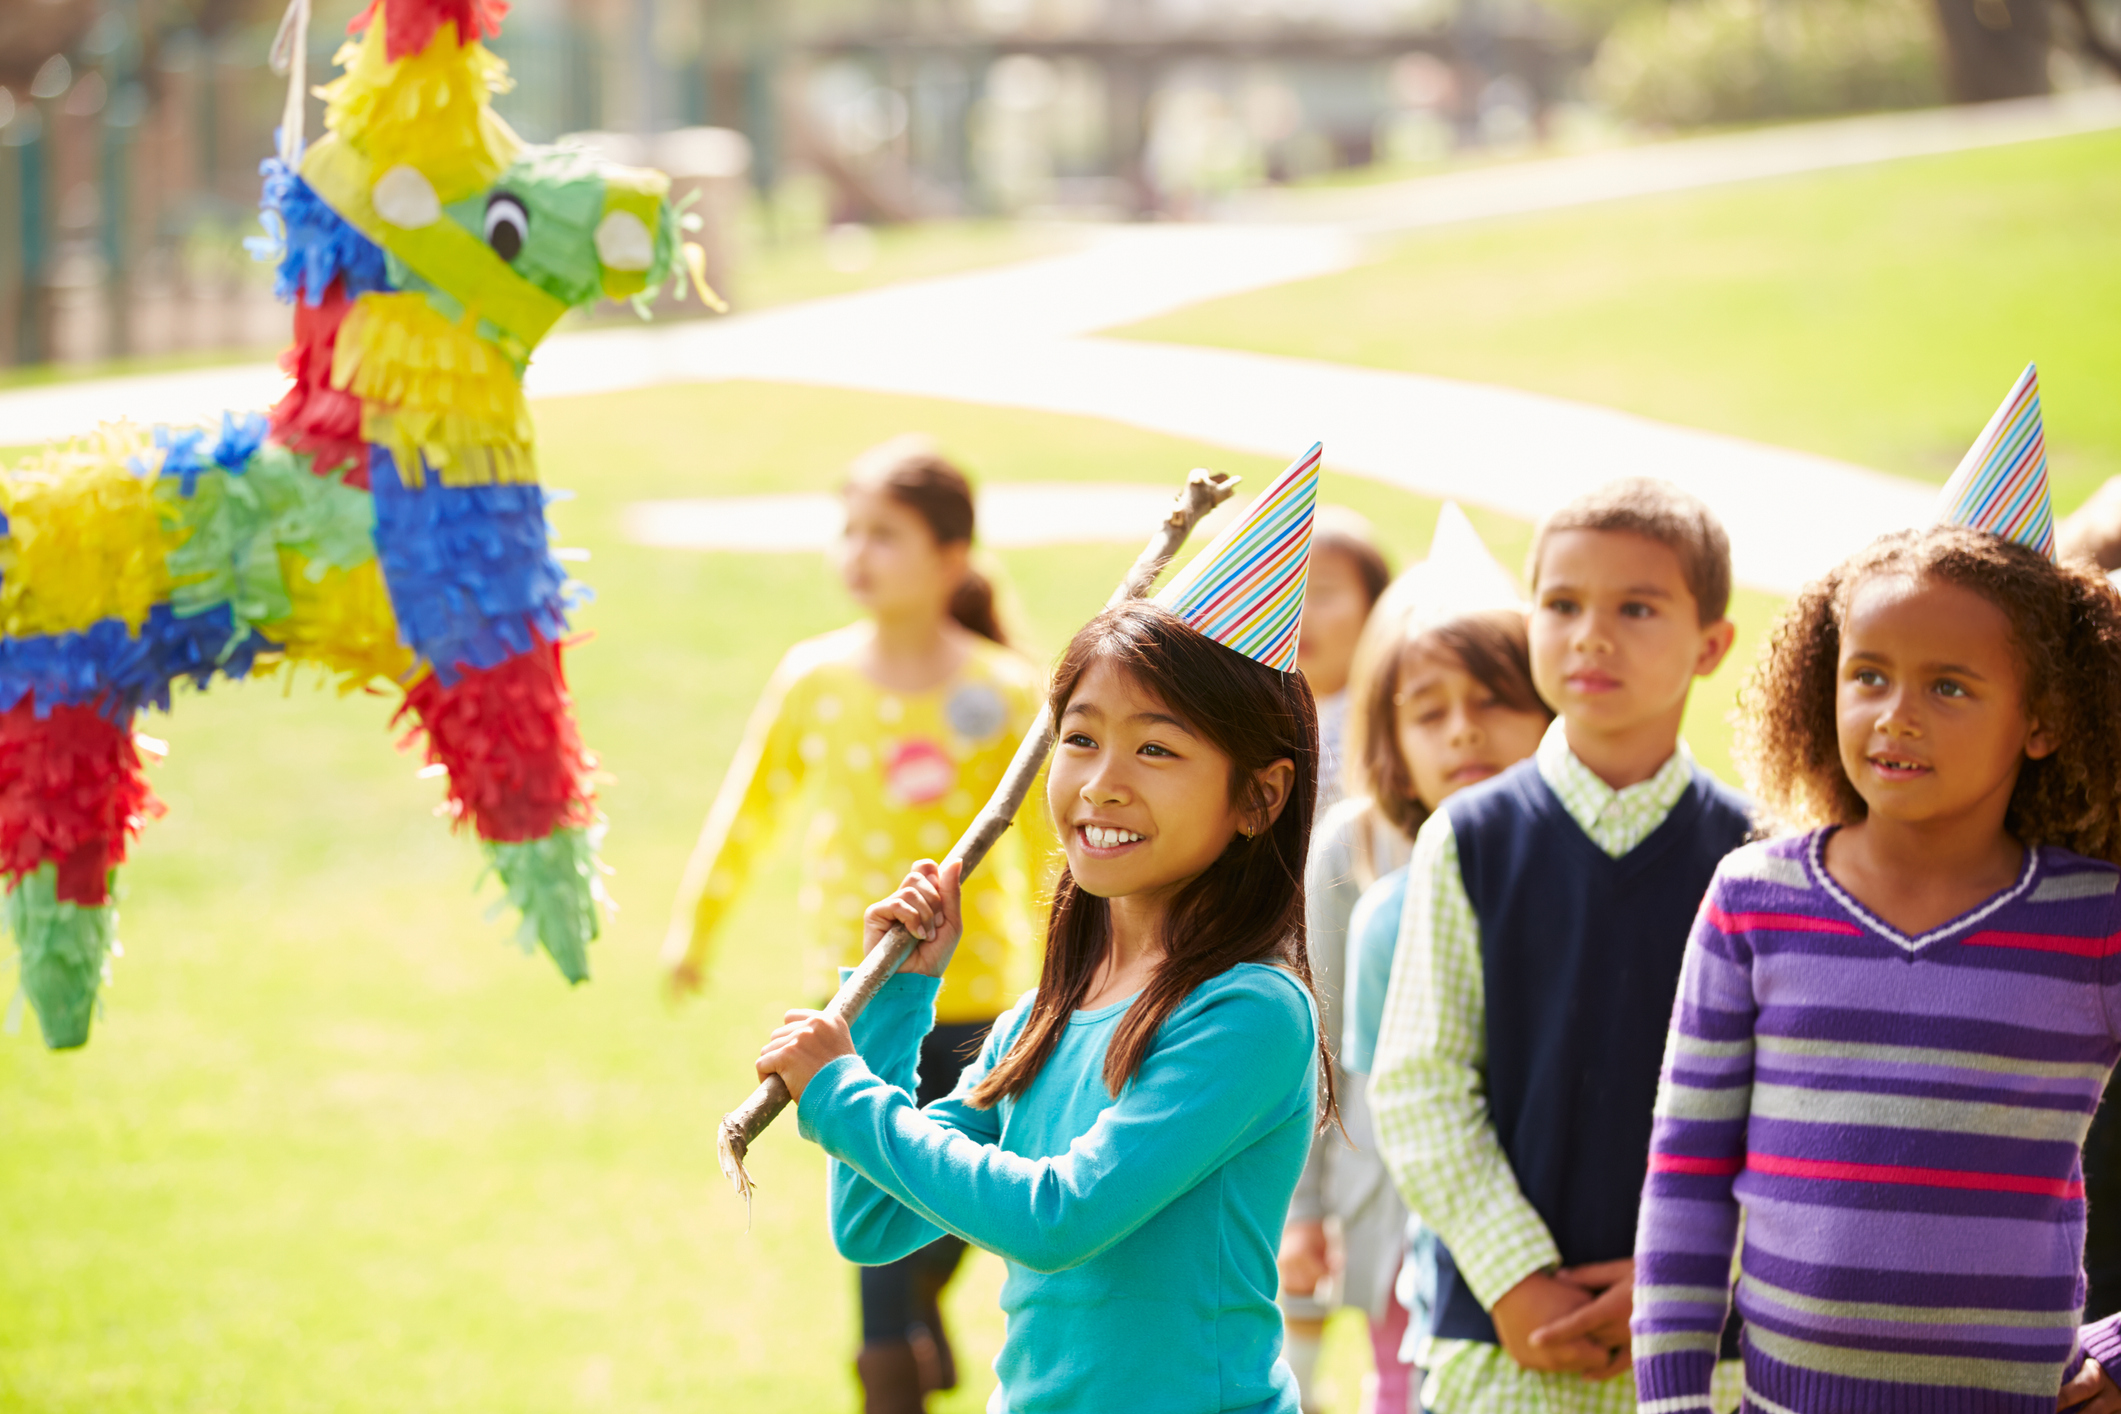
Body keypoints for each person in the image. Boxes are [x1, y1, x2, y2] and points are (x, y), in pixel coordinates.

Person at [752, 448, 1334, 1414]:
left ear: (1259, 797)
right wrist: (896, 1004)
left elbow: (1057, 1217)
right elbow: (870, 1223)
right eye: (1079, 736)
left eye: (1156, 748)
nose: (1103, 780)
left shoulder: (1250, 1013)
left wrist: (842, 1091)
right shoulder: (1047, 1012)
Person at [1631, 369, 2121, 1413]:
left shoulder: (2097, 920)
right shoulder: (1753, 901)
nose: (1897, 715)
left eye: (1950, 686)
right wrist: (1671, 1402)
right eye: (1869, 675)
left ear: (2040, 721)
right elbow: (1685, 1177)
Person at [663, 436, 1055, 1412]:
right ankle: (894, 1367)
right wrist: (694, 927)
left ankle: (914, 1325)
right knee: (875, 1207)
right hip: (848, 1006)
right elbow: (749, 806)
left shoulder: (1006, 692)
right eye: (850, 531)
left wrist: (1067, 974)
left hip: (981, 1001)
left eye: (886, 533)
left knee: (959, 1193)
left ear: (953, 557)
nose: (859, 552)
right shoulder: (815, 679)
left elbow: (1053, 852)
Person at [1369, 477, 1750, 1414]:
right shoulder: (1468, 839)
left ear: (1710, 644)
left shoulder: (1760, 854)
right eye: (1562, 604)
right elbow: (1418, 1086)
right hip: (1502, 1348)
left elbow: (1789, 1110)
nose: (1590, 634)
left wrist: (1688, 1276)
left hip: (1712, 1350)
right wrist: (1515, 1277)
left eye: (1636, 607)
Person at [1281, 505, 1551, 1414]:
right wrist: (1303, 1205)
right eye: (1427, 712)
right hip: (1391, 1209)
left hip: (1550, 1210)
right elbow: (1313, 1040)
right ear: (1385, 733)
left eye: (1493, 702)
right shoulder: (1352, 855)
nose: (1462, 733)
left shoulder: (1573, 861)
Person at [1298, 508, 1392, 818]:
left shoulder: (1383, 720)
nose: (1301, 615)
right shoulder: (1260, 711)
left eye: (1322, 594)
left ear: (1376, 606)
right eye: (1288, 597)